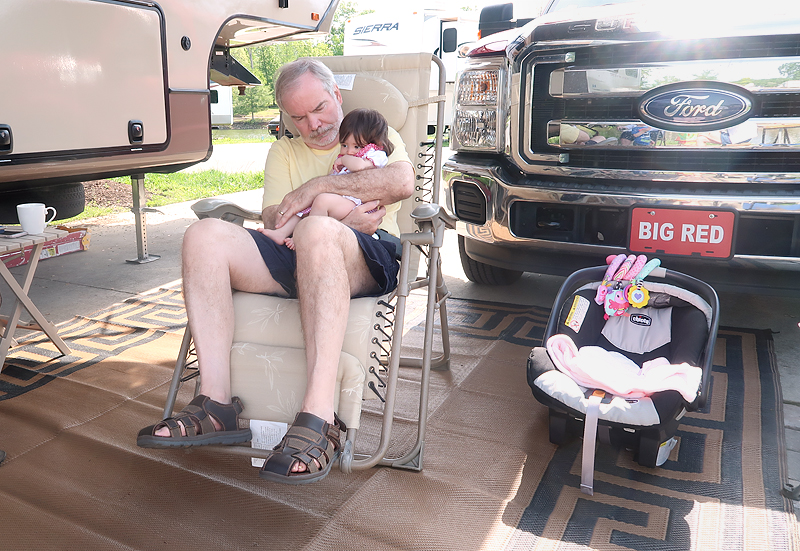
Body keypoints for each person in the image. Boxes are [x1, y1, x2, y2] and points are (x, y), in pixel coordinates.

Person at [137, 58, 415, 485]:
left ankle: (320, 417)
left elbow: (399, 182)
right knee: (204, 235)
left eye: (320, 108)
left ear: (337, 96)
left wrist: (317, 189)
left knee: (319, 230)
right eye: (299, 117)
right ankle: (216, 405)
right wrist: (311, 206)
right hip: (297, 250)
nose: (314, 124)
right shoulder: (283, 150)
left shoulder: (370, 131)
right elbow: (272, 214)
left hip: (367, 255)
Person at [259, 108, 394, 250]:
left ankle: (306, 236)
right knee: (302, 203)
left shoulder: (374, 153)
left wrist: (344, 160)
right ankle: (281, 233)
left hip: (357, 203)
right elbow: (331, 179)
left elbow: (360, 166)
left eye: (356, 146)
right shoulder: (346, 157)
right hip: (341, 200)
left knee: (322, 200)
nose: (349, 150)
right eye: (344, 145)